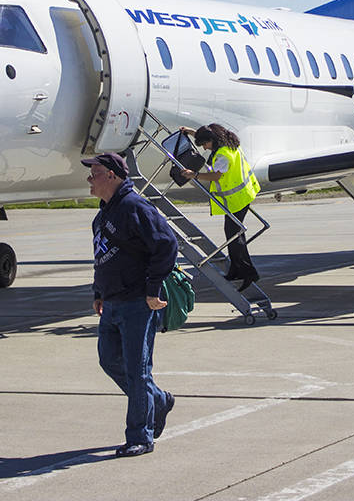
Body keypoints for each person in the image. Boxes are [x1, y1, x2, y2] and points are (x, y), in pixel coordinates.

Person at [84, 151, 178, 457]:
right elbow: (102, 257)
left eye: (94, 173)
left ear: (111, 176)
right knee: (109, 360)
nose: (89, 179)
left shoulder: (134, 207)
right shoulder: (102, 215)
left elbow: (166, 244)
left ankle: (140, 436)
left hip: (137, 303)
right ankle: (158, 401)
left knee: (138, 371)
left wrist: (152, 288)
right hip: (111, 303)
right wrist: (98, 291)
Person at [180, 123, 261, 291]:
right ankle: (236, 270)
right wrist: (191, 132)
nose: (204, 147)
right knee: (233, 234)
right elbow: (210, 136)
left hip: (236, 199)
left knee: (234, 236)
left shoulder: (223, 155)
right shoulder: (227, 143)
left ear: (212, 140)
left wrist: (194, 175)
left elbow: (216, 176)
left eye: (204, 144)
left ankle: (248, 273)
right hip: (243, 195)